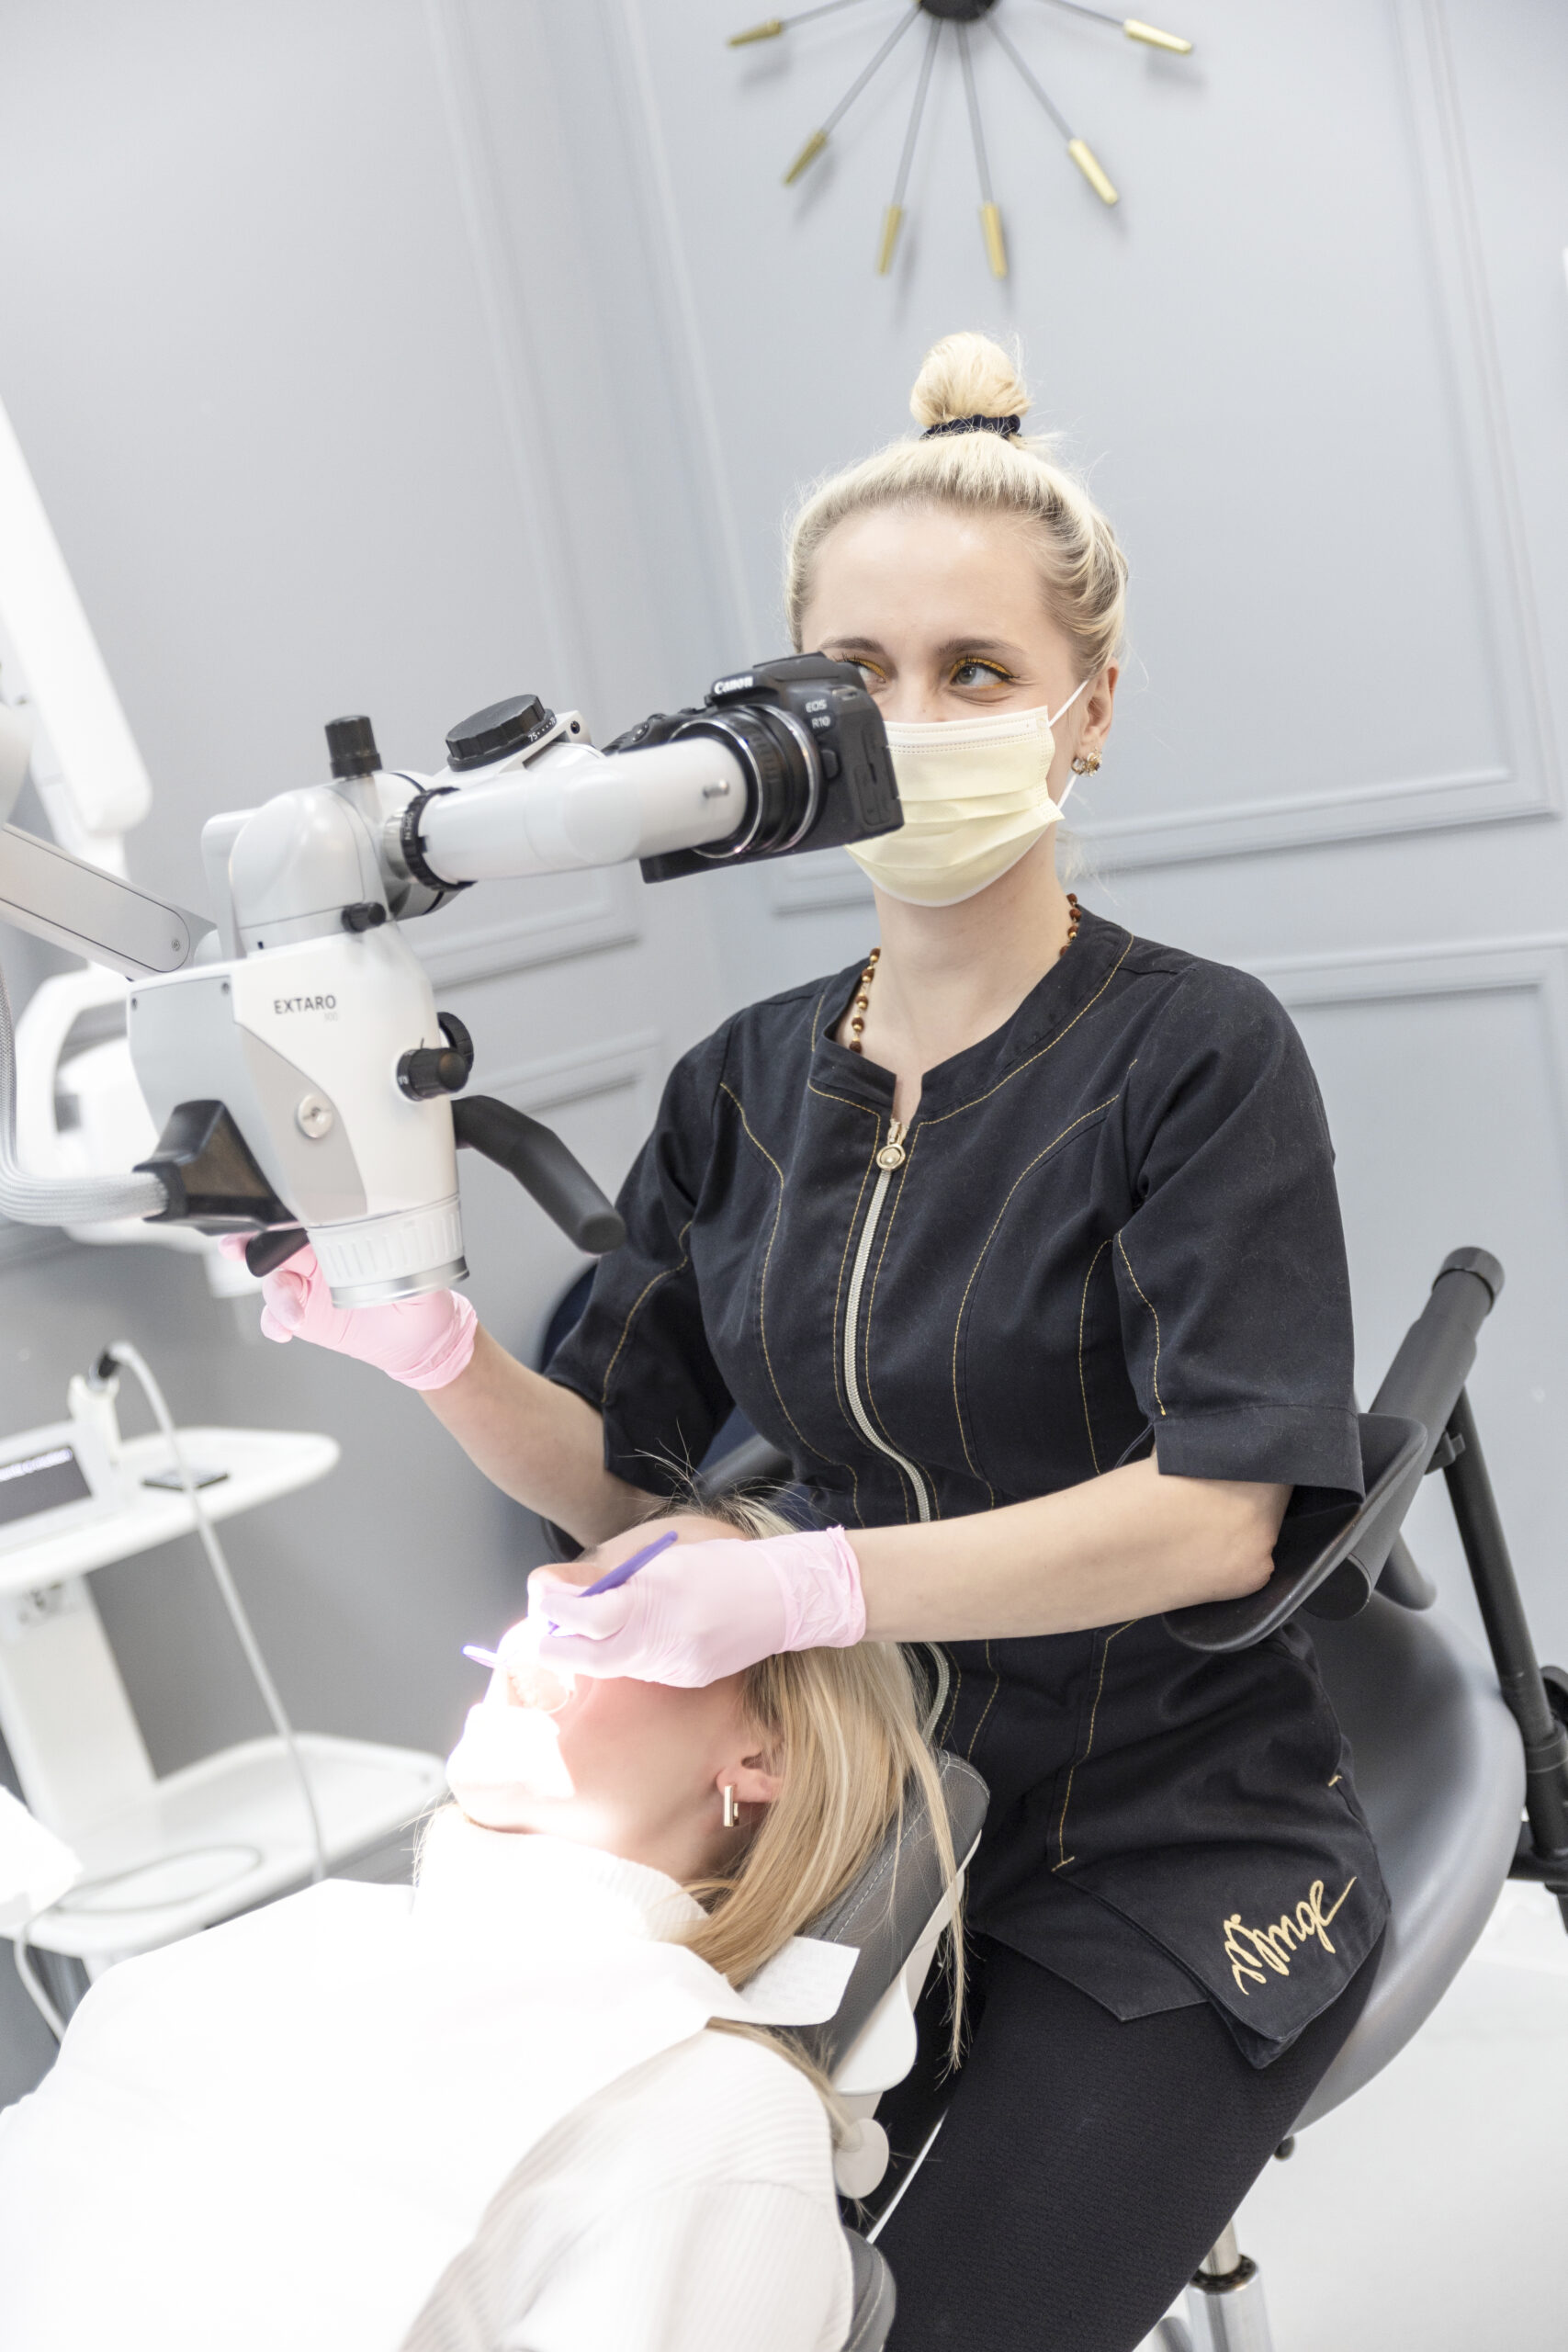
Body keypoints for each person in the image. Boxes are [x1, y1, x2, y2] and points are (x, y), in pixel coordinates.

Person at [240, 332, 1387, 2351]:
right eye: (852, 675)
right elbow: (622, 1465)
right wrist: (432, 1353)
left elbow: (1222, 1513)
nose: (909, 716)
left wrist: (807, 1575)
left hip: (1166, 1829)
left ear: (1087, 710)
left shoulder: (1194, 1054)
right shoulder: (746, 1079)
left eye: (974, 671)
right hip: (864, 1818)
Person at [0, 1505, 956, 2352]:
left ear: (764, 1750)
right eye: (557, 1587)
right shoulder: (297, 1935)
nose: (550, 1609)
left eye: (625, 1597)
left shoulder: (712, 2104)